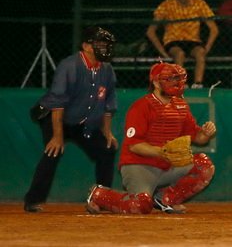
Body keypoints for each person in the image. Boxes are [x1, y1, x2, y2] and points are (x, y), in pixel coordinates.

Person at [86, 62, 217, 214]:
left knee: (203, 165)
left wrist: (205, 133)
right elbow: (134, 145)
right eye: (170, 79)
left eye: (177, 78)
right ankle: (99, 195)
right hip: (139, 165)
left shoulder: (180, 106)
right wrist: (162, 152)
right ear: (155, 82)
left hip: (167, 165)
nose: (176, 82)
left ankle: (165, 199)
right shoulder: (141, 106)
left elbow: (197, 137)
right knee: (140, 205)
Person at [23, 26, 119, 212]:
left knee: (107, 149)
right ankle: (33, 200)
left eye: (106, 44)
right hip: (54, 116)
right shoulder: (69, 66)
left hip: (82, 121)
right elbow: (58, 103)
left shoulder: (107, 70)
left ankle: (102, 198)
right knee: (53, 151)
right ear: (86, 46)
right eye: (100, 44)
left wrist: (107, 132)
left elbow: (109, 102)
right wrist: (57, 136)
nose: (105, 48)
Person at [146, 0, 218, 89]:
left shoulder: (199, 3)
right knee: (179, 54)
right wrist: (163, 53)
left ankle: (198, 84)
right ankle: (180, 83)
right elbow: (150, 32)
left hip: (193, 41)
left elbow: (214, 29)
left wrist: (206, 48)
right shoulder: (166, 5)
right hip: (173, 41)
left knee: (200, 53)